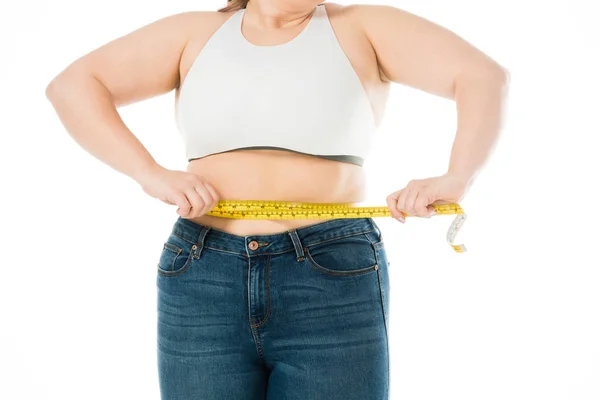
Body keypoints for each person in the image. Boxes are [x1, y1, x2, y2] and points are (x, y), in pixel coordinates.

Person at [45, 0, 508, 398]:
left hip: (332, 271)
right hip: (202, 270)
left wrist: (458, 176)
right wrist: (147, 172)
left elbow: (483, 76)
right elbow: (73, 86)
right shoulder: (193, 33)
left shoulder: (363, 27)